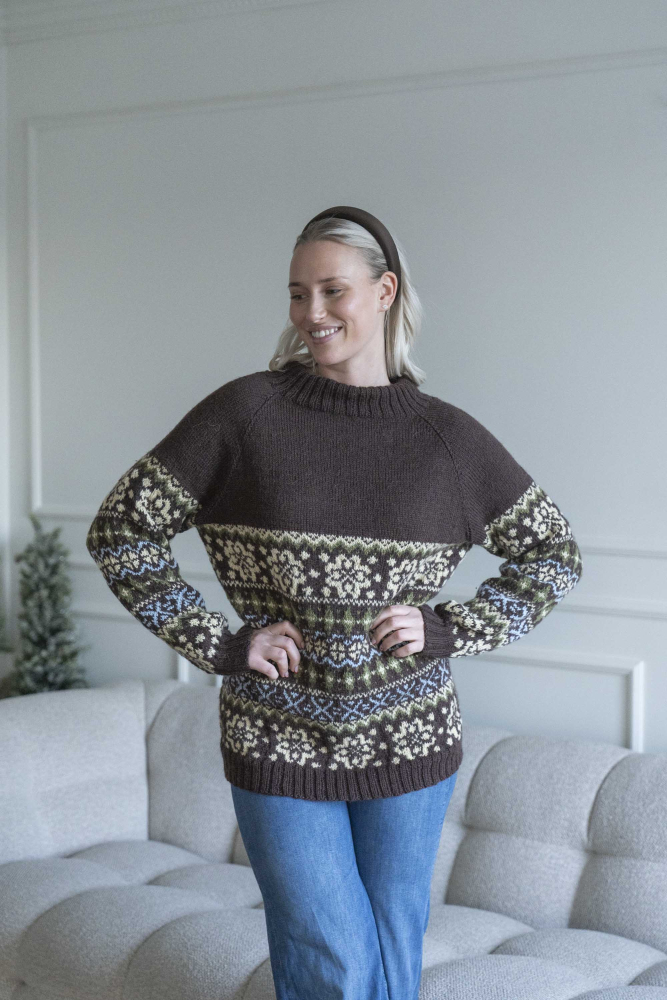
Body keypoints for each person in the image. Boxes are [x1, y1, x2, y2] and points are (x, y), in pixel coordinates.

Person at [86, 206, 583, 999]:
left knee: (390, 950)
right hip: (276, 732)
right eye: (296, 293)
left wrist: (450, 628)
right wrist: (219, 642)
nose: (310, 313)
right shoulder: (244, 415)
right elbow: (122, 530)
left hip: (410, 737)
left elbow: (553, 552)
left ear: (384, 291)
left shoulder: (448, 440)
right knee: (332, 957)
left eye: (331, 290)